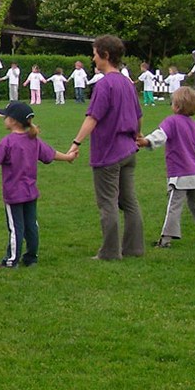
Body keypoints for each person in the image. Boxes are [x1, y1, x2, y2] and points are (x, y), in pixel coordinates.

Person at [0, 101, 72, 268]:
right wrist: (68, 157)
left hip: (14, 193)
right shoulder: (33, 139)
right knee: (31, 225)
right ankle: (31, 258)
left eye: (6, 117)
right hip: (31, 192)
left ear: (13, 121)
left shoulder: (7, 142)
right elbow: (51, 154)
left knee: (16, 228)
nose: (4, 119)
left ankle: (11, 261)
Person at [67, 35, 145, 260]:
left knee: (107, 203)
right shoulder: (127, 83)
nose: (93, 59)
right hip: (128, 151)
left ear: (106, 55)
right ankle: (134, 248)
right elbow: (138, 116)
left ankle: (110, 252)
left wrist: (76, 143)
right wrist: (137, 135)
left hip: (109, 152)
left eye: (94, 54)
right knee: (129, 202)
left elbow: (93, 117)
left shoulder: (104, 84)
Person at [138, 87, 195, 247]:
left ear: (177, 106)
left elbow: (160, 136)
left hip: (180, 174)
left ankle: (165, 239)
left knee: (174, 206)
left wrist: (146, 141)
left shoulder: (171, 121)